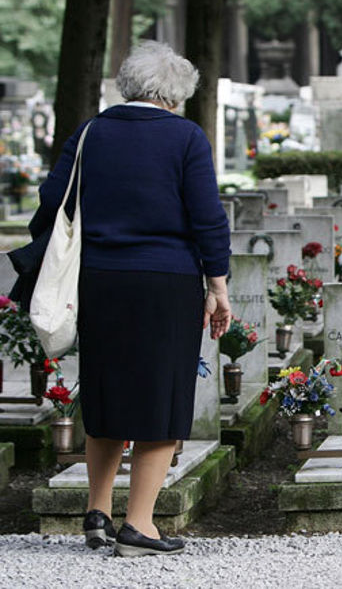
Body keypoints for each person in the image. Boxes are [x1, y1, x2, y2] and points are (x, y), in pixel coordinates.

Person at [33, 41, 231, 556]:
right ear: (174, 93)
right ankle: (139, 525)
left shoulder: (91, 131)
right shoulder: (186, 137)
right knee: (161, 401)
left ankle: (96, 511)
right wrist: (218, 287)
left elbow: (53, 199)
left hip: (98, 279)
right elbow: (207, 217)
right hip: (165, 282)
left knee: (105, 391)